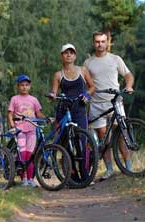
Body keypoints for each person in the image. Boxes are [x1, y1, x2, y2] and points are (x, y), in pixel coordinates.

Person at [84, 31, 134, 180]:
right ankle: (109, 169)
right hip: (96, 103)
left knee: (121, 135)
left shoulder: (115, 59)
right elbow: (84, 82)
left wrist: (129, 86)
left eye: (103, 41)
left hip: (115, 101)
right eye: (97, 41)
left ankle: (129, 167)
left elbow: (128, 75)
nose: (100, 44)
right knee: (103, 138)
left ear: (107, 43)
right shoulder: (88, 63)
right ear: (94, 43)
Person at [49, 43, 95, 182]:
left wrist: (87, 95)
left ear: (75, 55)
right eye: (65, 53)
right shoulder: (58, 75)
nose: (69, 55)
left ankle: (85, 176)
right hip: (64, 110)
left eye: (71, 52)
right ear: (62, 56)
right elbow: (54, 92)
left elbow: (93, 86)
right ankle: (71, 176)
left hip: (79, 109)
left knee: (82, 141)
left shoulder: (83, 71)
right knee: (65, 144)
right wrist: (52, 95)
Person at [7, 74, 46, 188]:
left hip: (32, 129)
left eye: (27, 85)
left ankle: (30, 179)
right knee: (22, 154)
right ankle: (23, 178)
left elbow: (38, 113)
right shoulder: (14, 99)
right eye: (22, 85)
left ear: (30, 86)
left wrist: (46, 118)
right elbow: (10, 114)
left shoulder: (34, 100)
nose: (24, 87)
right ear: (18, 86)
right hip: (20, 130)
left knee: (30, 155)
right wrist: (12, 125)